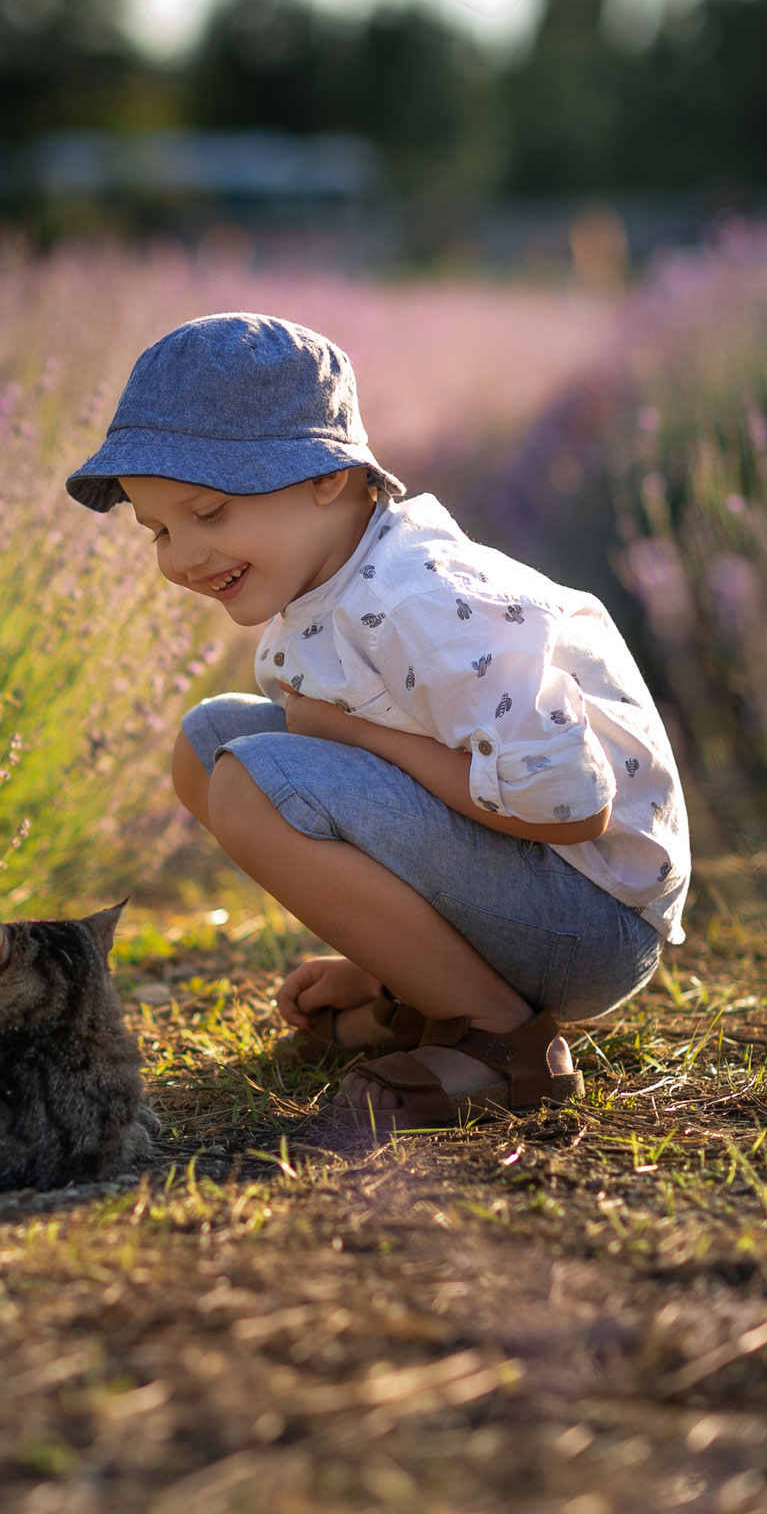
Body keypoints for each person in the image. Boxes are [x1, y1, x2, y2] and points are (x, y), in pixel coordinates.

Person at [65, 313, 688, 1130]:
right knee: (208, 744)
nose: (180, 558)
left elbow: (570, 808)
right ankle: (412, 985)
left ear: (328, 478)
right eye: (159, 531)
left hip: (591, 921)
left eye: (208, 512)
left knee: (257, 779)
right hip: (527, 891)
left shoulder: (422, 600)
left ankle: (502, 1041)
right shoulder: (329, 584)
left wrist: (357, 735)